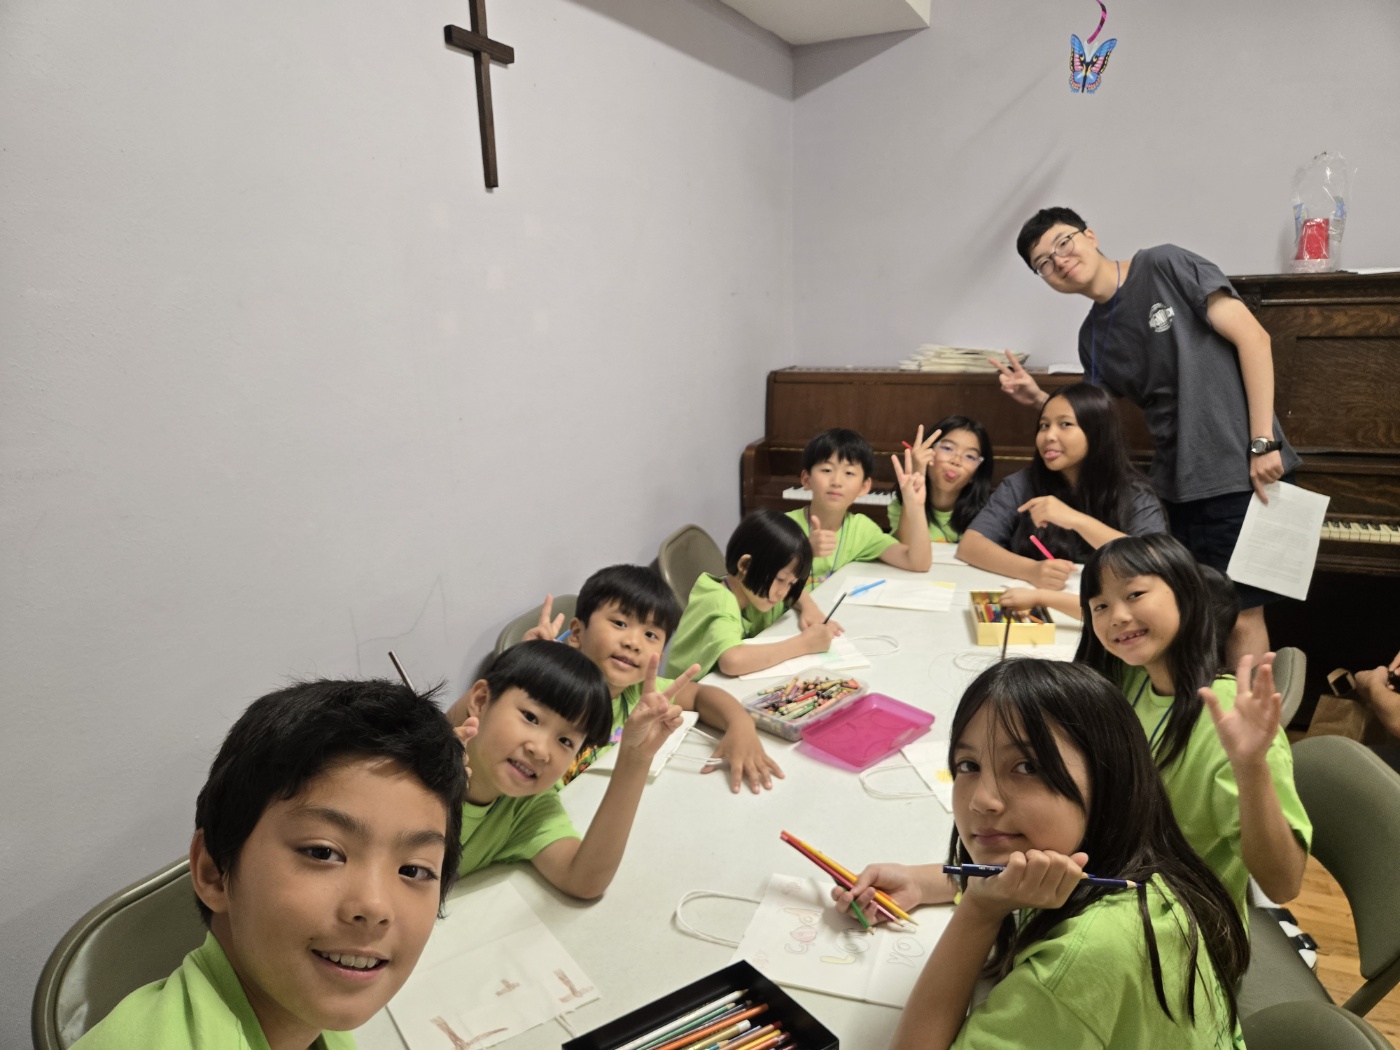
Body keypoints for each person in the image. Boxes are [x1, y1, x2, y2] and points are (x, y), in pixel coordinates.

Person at [842, 660, 1248, 1050]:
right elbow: (1022, 874)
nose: (982, 799)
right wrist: (924, 880)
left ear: (1109, 777)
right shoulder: (1134, 862)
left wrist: (979, 911)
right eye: (968, 765)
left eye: (1026, 767)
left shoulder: (1080, 961)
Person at [74, 679, 469, 1050]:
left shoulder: (311, 1018)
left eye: (414, 870)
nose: (375, 906)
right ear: (214, 873)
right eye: (322, 852)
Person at [995, 206, 1300, 662]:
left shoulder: (1164, 264)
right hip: (1174, 486)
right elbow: (1092, 420)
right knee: (1184, 612)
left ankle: (1248, 712)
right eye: (1043, 262)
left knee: (1241, 615)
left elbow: (1254, 339)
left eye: (1063, 243)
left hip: (1243, 472)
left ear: (1089, 235)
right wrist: (1038, 397)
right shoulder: (1091, 337)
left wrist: (1263, 442)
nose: (1058, 260)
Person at [1077, 534, 1311, 910]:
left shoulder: (1229, 721)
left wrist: (1251, 767)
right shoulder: (1131, 675)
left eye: (1134, 594)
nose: (1117, 616)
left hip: (1178, 914)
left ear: (1187, 595)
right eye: (1100, 606)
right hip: (1114, 877)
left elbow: (1283, 884)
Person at [443, 640, 687, 899]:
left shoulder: (526, 808)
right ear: (481, 700)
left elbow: (584, 879)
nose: (541, 751)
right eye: (530, 717)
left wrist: (635, 758)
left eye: (565, 741)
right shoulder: (419, 778)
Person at [510, 565, 783, 793]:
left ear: (660, 656)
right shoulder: (550, 696)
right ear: (577, 633)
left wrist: (740, 725)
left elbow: (701, 695)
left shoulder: (638, 692)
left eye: (650, 635)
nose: (633, 643)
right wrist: (528, 671)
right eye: (620, 623)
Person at [957, 383, 1165, 595]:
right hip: (1034, 603)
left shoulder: (1134, 492)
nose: (1049, 436)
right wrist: (1031, 570)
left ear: (1097, 432)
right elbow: (970, 545)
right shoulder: (1021, 484)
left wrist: (1076, 520)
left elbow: (1157, 560)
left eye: (1065, 424)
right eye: (1044, 425)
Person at [666, 510, 835, 680]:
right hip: (681, 693)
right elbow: (732, 661)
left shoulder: (757, 591)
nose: (783, 593)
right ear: (745, 565)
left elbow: (794, 592)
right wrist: (803, 644)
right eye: (780, 579)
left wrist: (809, 607)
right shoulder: (720, 601)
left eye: (790, 583)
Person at [787, 427, 934, 586]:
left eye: (849, 473)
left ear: (864, 487)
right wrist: (805, 551)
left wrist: (916, 507)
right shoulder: (783, 526)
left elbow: (918, 563)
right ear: (806, 479)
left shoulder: (862, 530)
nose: (837, 481)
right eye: (827, 470)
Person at [887, 415, 995, 545]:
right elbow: (908, 548)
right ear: (927, 453)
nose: (956, 461)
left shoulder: (986, 514)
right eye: (948, 448)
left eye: (970, 456)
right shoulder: (902, 504)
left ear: (976, 474)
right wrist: (917, 474)